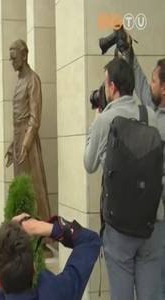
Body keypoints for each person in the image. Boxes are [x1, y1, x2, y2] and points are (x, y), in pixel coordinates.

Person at [84, 57, 162, 300]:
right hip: (153, 221)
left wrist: (95, 122)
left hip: (119, 228)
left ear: (112, 87)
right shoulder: (150, 115)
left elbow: (89, 164)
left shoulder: (105, 120)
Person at [122, 40, 165, 298]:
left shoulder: (157, 124)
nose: (150, 85)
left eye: (154, 81)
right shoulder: (156, 111)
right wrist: (129, 53)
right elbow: (143, 88)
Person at [0, 213, 101, 300]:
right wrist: (41, 227)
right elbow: (90, 241)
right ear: (34, 268)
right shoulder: (59, 292)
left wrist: (10, 233)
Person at [5, 39, 51, 221]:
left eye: (14, 58)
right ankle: (24, 229)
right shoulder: (19, 81)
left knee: (34, 187)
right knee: (21, 187)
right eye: (10, 59)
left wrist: (25, 143)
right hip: (19, 140)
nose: (12, 62)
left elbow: (34, 118)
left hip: (28, 143)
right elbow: (18, 120)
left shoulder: (33, 80)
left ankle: (42, 234)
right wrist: (13, 145)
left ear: (24, 56)